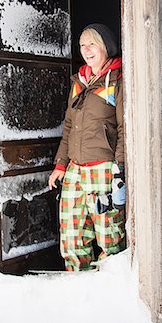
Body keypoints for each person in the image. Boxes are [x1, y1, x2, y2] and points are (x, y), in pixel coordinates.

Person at [48, 23, 125, 271]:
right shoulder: (79, 82)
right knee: (71, 235)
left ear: (105, 47)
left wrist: (120, 169)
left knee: (109, 234)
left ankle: (109, 289)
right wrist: (60, 165)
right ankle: (78, 287)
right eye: (83, 45)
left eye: (92, 44)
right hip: (75, 168)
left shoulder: (117, 80)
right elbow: (69, 126)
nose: (86, 50)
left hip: (103, 167)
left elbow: (125, 128)